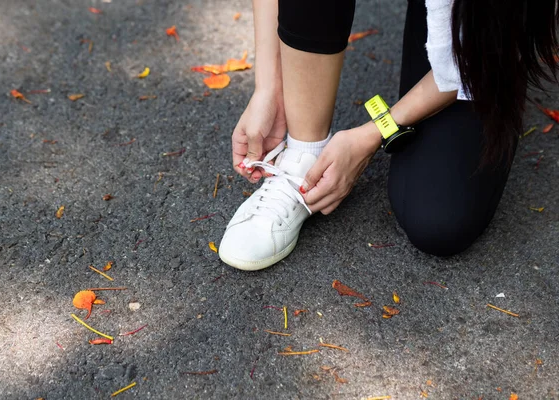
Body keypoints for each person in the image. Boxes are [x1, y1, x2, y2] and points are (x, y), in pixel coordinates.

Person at [218, 0, 559, 271]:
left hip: (481, 20)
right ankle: (305, 152)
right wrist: (268, 87)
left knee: (438, 219)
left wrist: (374, 133)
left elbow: (475, 54)